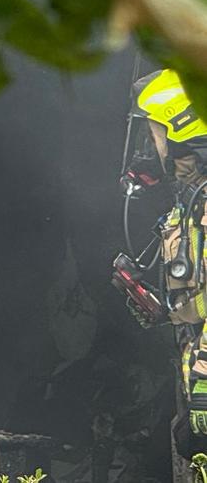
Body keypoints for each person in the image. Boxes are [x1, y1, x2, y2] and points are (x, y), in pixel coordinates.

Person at [120, 68, 207, 455]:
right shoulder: (188, 204)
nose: (148, 147)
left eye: (151, 131)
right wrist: (157, 304)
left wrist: (204, 380)